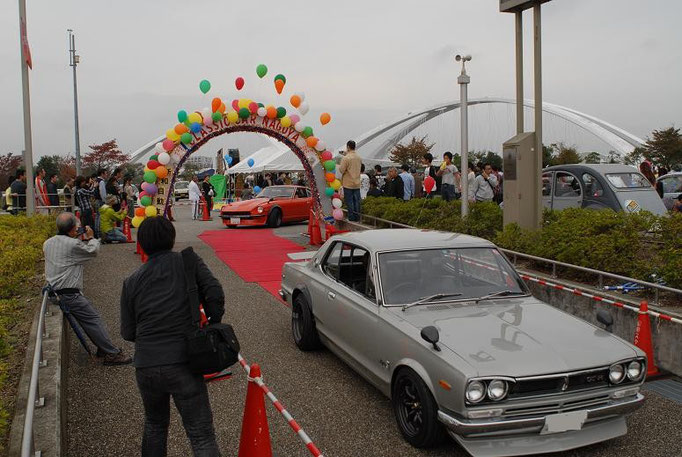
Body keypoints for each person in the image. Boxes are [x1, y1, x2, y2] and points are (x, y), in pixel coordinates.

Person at [121, 216, 224, 457]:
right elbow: (215, 292)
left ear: (142, 244)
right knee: (200, 433)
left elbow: (128, 332)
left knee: (155, 425)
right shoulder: (188, 262)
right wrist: (211, 324)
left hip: (146, 363)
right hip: (183, 361)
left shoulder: (131, 281)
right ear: (171, 238)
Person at [44, 212, 131, 365]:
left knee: (90, 319)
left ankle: (103, 348)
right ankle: (112, 353)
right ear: (72, 229)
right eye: (76, 227)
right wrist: (90, 237)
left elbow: (68, 255)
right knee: (93, 320)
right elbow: (93, 251)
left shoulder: (48, 243)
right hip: (69, 294)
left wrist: (75, 237)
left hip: (55, 292)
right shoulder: (72, 244)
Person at [338, 140, 363, 221]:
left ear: (348, 147)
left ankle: (351, 218)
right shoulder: (359, 157)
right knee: (357, 201)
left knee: (350, 202)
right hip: (357, 183)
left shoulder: (346, 158)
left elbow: (341, 170)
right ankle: (358, 217)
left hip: (348, 183)